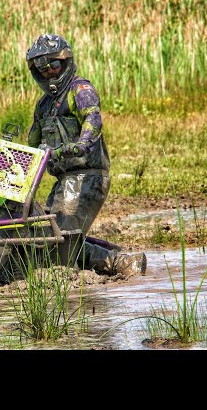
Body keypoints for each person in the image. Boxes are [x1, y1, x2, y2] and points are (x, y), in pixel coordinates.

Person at [25, 33, 146, 277]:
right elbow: (32, 141)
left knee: (59, 246)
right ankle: (123, 262)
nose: (48, 71)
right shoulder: (43, 105)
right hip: (64, 181)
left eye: (53, 64)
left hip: (86, 176)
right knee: (49, 239)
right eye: (41, 66)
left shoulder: (80, 89)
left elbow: (93, 118)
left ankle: (122, 264)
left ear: (66, 62)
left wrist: (82, 142)